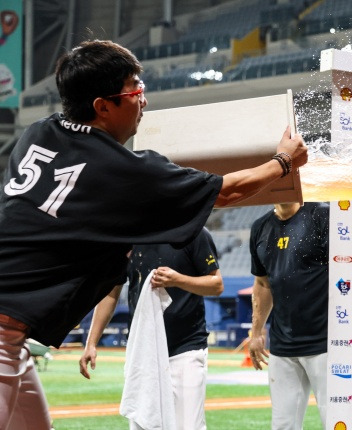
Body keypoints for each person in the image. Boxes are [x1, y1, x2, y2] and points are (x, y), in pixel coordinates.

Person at [0, 39, 307, 430]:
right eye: (134, 90)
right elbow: (225, 191)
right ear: (103, 106)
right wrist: (283, 162)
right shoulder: (121, 169)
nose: (142, 100)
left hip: (13, 335)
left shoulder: (37, 132)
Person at [79, 227, 222, 429]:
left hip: (185, 349)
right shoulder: (128, 236)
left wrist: (178, 280)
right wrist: (91, 343)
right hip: (143, 351)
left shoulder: (193, 231)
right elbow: (111, 293)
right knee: (141, 423)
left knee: (188, 426)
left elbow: (216, 284)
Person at [248, 202, 329, 430]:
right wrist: (256, 333)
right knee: (283, 425)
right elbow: (263, 283)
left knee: (335, 421)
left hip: (325, 343)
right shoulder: (260, 227)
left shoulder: (322, 216)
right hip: (282, 346)